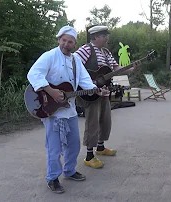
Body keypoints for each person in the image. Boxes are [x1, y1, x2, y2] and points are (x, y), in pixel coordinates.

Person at [27, 26, 108, 194]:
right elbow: (34, 74)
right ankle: (52, 178)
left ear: (74, 44)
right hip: (52, 109)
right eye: (63, 40)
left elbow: (85, 80)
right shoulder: (49, 56)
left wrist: (96, 89)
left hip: (69, 109)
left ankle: (69, 171)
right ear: (59, 40)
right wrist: (51, 91)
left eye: (70, 41)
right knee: (54, 147)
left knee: (74, 144)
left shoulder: (75, 60)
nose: (66, 44)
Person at [75, 25, 134, 169]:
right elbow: (74, 64)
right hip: (90, 93)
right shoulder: (86, 49)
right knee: (92, 122)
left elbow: (115, 68)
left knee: (105, 120)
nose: (106, 38)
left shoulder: (106, 52)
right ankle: (89, 156)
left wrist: (131, 69)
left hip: (104, 92)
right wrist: (88, 83)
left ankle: (100, 148)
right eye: (104, 35)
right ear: (95, 37)